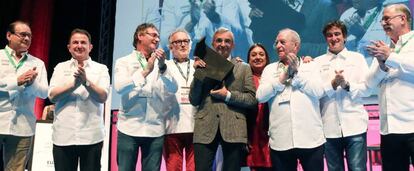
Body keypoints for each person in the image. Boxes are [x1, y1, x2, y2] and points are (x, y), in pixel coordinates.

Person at [256, 28, 325, 171]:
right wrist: (282, 78)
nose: (278, 45)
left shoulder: (311, 65)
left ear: (296, 46)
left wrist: (296, 74)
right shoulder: (269, 69)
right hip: (281, 140)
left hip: (310, 138)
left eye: (282, 42)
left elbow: (319, 91)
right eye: (276, 43)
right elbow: (260, 96)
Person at [189, 27, 257, 171]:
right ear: (213, 43)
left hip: (234, 128)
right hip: (205, 127)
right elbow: (194, 99)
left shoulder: (243, 67)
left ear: (233, 45)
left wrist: (228, 96)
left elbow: (251, 99)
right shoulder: (202, 65)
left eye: (227, 41)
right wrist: (198, 74)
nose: (223, 44)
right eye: (219, 40)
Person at [114, 23, 178, 171]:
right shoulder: (124, 61)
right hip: (129, 127)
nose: (157, 39)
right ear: (140, 36)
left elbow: (173, 88)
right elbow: (120, 87)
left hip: (155, 128)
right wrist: (145, 71)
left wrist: (162, 67)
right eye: (153, 35)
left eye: (158, 36)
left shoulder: (164, 63)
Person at [48, 28, 110, 171]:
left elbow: (103, 97)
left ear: (90, 47)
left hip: (91, 136)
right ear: (69, 48)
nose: (79, 45)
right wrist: (74, 84)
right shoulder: (60, 67)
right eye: (75, 42)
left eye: (83, 42)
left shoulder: (101, 69)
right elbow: (52, 96)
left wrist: (86, 82)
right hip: (63, 135)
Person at [314, 20, 371, 171]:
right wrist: (332, 85)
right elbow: (315, 93)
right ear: (326, 38)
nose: (334, 38)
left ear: (345, 37)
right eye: (329, 35)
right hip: (328, 127)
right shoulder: (317, 62)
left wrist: (347, 85)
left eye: (337, 34)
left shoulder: (357, 58)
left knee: (358, 169)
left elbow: (367, 89)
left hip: (355, 124)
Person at [365, 3, 414, 170]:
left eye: (387, 18)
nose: (384, 23)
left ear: (402, 19)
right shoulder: (384, 49)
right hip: (389, 129)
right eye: (382, 20)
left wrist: (390, 57)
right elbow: (369, 83)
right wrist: (382, 65)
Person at [0, 20, 48, 171]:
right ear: (9, 35)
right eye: (22, 35)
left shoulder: (37, 63)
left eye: (29, 36)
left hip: (23, 126)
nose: (27, 39)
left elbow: (44, 92)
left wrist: (31, 83)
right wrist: (17, 81)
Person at [163, 29, 197, 171]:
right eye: (178, 42)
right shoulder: (164, 66)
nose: (183, 45)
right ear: (170, 46)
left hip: (195, 126)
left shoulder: (198, 65)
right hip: (172, 126)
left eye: (186, 41)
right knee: (173, 168)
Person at [245, 43, 272, 171]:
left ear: (267, 58)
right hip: (253, 131)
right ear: (248, 60)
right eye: (253, 55)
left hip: (274, 129)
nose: (257, 57)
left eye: (261, 54)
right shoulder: (244, 78)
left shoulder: (275, 74)